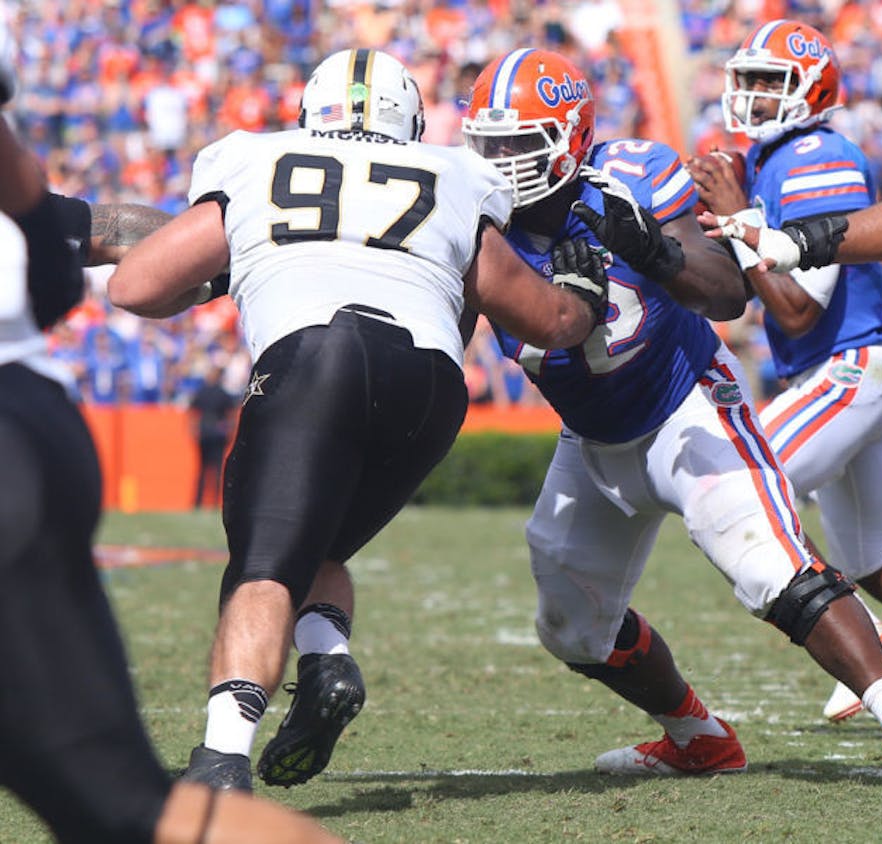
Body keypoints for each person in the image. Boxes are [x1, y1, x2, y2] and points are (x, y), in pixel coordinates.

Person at [459, 46, 882, 791]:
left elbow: (729, 292)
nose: (501, 163)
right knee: (570, 626)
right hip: (591, 437)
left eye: (519, 146)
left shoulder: (632, 177)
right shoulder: (468, 212)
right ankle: (698, 736)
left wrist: (656, 253)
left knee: (772, 567)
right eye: (489, 145)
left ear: (570, 138)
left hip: (684, 403)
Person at [107, 47, 610, 793]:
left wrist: (226, 270)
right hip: (430, 386)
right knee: (319, 547)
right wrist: (581, 292)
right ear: (408, 119)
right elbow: (547, 317)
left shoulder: (254, 158)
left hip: (315, 356)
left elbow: (133, 282)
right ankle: (326, 661)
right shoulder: (456, 174)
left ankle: (220, 760)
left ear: (312, 111)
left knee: (262, 565)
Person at [0, 38, 345, 844]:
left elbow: (96, 235)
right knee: (121, 809)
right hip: (27, 421)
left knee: (128, 812)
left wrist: (242, 258)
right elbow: (79, 243)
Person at [685, 19, 882, 725]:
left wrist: (737, 220)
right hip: (851, 372)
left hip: (844, 369)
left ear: (810, 90)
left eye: (769, 82)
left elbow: (793, 310)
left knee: (741, 491)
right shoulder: (780, 158)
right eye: (746, 79)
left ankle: (872, 642)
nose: (752, 95)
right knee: (869, 553)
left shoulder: (815, 155)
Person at [189, 363, 237, 509]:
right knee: (217, 469)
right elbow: (231, 414)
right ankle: (216, 501)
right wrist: (229, 430)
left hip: (204, 431)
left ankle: (198, 502)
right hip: (218, 431)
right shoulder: (223, 393)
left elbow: (193, 412)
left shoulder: (202, 392)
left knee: (202, 468)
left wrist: (193, 430)